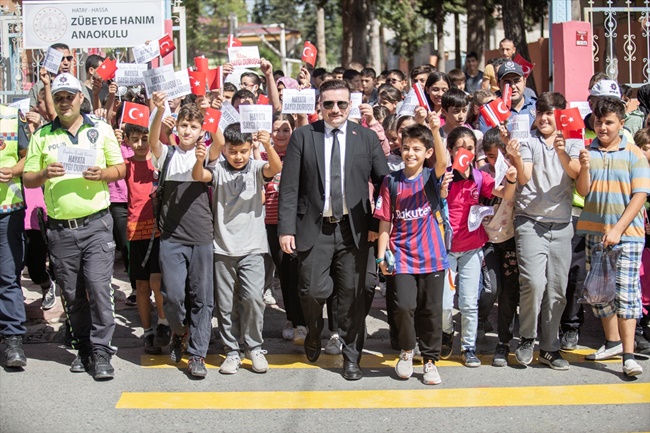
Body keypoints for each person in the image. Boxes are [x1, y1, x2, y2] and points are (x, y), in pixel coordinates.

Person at [278, 79, 389, 381]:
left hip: (356, 231)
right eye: (328, 104)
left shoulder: (365, 138)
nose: (335, 109)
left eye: (341, 103)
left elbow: (385, 184)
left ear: (350, 105)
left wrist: (380, 225)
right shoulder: (303, 136)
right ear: (320, 106)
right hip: (315, 228)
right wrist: (286, 229)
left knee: (356, 294)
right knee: (312, 290)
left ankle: (352, 357)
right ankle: (314, 330)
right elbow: (289, 187)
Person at [23, 73, 125, 380]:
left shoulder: (101, 129)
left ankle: (101, 350)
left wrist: (103, 174)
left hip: (96, 225)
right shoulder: (42, 135)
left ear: (81, 98)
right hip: (60, 229)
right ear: (54, 100)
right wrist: (43, 173)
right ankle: (82, 347)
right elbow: (27, 178)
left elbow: (120, 169)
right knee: (71, 292)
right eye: (60, 97)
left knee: (97, 285)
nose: (65, 101)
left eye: (70, 95)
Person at [192, 123, 281, 375]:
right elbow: (200, 176)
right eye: (233, 151)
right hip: (222, 248)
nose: (238, 156)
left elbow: (275, 168)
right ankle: (232, 350)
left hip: (253, 247)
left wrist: (267, 144)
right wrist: (199, 161)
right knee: (227, 303)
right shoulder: (218, 168)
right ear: (225, 150)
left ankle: (254, 347)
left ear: (249, 148)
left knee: (253, 298)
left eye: (243, 151)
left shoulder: (255, 168)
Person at [506, 92, 582, 371]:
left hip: (562, 223)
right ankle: (527, 338)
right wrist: (514, 156)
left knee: (557, 290)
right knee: (534, 283)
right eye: (541, 113)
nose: (545, 118)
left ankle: (549, 347)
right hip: (529, 222)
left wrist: (562, 150)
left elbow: (575, 173)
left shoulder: (572, 140)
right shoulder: (527, 140)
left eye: (550, 113)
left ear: (561, 115)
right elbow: (524, 176)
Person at [576, 97, 650, 377]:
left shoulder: (634, 154)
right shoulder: (588, 151)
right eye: (599, 121)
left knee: (627, 295)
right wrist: (584, 166)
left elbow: (640, 195)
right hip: (596, 233)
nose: (603, 126)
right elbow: (583, 192)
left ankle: (629, 357)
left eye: (609, 122)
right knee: (600, 294)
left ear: (621, 123)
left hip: (628, 236)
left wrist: (619, 228)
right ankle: (612, 343)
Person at [148, 93, 217, 378]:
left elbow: (220, 145)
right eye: (183, 126)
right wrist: (159, 110)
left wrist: (212, 112)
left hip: (201, 237)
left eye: (194, 127)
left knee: (202, 298)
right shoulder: (168, 155)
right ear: (176, 128)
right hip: (172, 238)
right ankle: (179, 331)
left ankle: (198, 354)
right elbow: (153, 142)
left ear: (202, 131)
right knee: (173, 296)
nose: (188, 131)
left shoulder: (207, 155)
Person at [375, 121, 449, 385]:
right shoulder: (390, 181)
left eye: (417, 149)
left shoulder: (432, 177)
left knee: (431, 311)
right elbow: (385, 221)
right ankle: (407, 351)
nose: (410, 153)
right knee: (404, 307)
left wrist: (436, 130)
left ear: (427, 152)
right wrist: (381, 256)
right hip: (402, 258)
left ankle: (430, 360)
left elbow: (443, 162)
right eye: (406, 148)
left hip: (432, 259)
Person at [443, 127, 517, 367]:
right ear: (450, 151)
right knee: (445, 303)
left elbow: (505, 193)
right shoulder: (442, 175)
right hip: (446, 250)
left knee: (468, 302)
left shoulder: (479, 177)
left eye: (469, 147)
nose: (464, 151)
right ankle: (446, 333)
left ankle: (468, 347)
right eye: (458, 147)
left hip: (472, 248)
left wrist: (512, 179)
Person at [121, 122, 170, 355]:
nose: (141, 144)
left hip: (158, 230)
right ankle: (148, 330)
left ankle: (163, 323)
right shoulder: (126, 166)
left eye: (145, 138)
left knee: (156, 281)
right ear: (127, 141)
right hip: (135, 230)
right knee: (141, 286)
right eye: (135, 139)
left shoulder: (159, 161)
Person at [477, 128, 520, 366]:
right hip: (486, 241)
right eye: (491, 157)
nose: (495, 162)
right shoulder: (482, 175)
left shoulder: (517, 173)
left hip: (511, 239)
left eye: (499, 155)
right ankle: (480, 319)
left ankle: (503, 342)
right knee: (491, 287)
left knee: (509, 293)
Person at [0, 104, 30, 369]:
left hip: (7, 211)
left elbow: (28, 158)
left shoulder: (11, 116)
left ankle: (12, 339)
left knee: (8, 277)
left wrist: (14, 171)